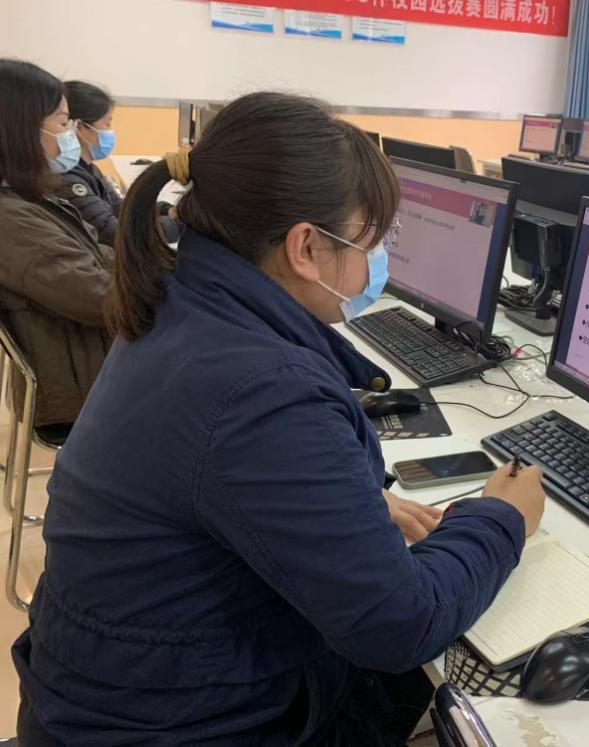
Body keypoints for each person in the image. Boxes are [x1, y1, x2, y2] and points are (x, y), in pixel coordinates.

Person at [13, 91, 547, 745]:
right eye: (375, 240)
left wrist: (339, 502)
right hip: (173, 726)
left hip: (112, 692)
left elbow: (214, 472)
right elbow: (399, 625)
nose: (379, 259)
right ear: (305, 247)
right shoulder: (262, 390)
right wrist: (502, 518)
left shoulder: (183, 301)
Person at [0, 59, 113, 429]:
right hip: (83, 392)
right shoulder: (11, 219)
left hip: (93, 365)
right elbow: (101, 299)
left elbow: (97, 255)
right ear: (19, 128)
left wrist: (159, 266)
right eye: (63, 123)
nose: (69, 135)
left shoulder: (28, 198)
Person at [58, 80, 181, 245]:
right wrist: (177, 224)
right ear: (80, 127)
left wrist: (165, 211)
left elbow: (123, 209)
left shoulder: (88, 168)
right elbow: (114, 232)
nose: (110, 131)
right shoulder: (69, 180)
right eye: (107, 123)